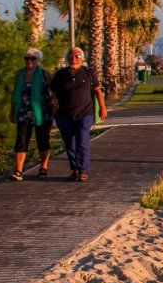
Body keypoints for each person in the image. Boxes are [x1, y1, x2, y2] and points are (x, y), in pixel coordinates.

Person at [51, 47, 107, 182]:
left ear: (82, 59)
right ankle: (75, 169)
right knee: (70, 144)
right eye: (71, 56)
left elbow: (97, 91)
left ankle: (83, 171)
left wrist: (103, 108)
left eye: (77, 56)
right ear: (66, 58)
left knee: (82, 141)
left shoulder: (88, 73)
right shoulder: (60, 74)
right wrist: (53, 113)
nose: (74, 58)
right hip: (64, 115)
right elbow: (54, 94)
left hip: (85, 114)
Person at [10, 47, 54, 181]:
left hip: (42, 113)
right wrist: (12, 111)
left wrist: (55, 106)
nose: (29, 61)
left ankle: (43, 166)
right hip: (23, 113)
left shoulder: (45, 74)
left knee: (42, 140)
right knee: (21, 140)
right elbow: (15, 94)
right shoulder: (20, 74)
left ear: (38, 60)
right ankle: (18, 170)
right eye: (26, 58)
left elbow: (54, 92)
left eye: (32, 59)